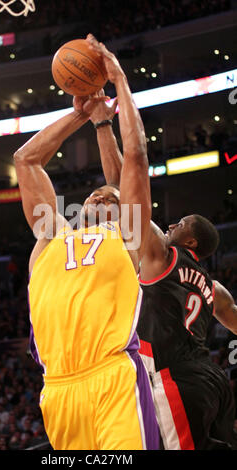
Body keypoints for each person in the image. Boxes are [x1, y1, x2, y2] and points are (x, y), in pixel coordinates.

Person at [13, 34, 159, 450]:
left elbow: (135, 155)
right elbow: (26, 160)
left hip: (112, 377)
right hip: (57, 390)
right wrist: (81, 111)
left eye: (110, 196)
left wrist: (119, 80)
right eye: (95, 193)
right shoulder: (51, 234)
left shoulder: (128, 234)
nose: (100, 195)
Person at [91, 95, 237, 450]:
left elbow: (125, 188)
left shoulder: (161, 254)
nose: (172, 222)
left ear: (190, 238)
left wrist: (102, 125)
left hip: (175, 380)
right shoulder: (214, 289)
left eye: (181, 222)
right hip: (213, 381)